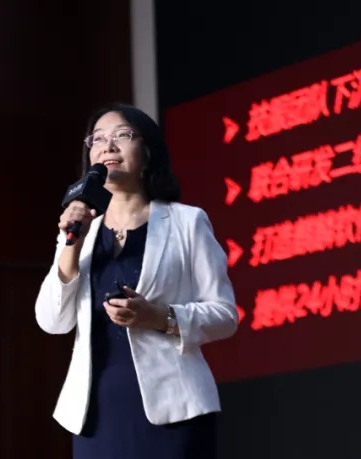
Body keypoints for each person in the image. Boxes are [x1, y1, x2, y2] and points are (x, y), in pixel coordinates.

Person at [34, 103, 239, 459]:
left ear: (147, 152)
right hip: (95, 414)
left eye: (122, 135)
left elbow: (225, 315)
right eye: (98, 139)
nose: (108, 146)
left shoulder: (187, 222)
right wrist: (71, 245)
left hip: (175, 410)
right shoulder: (80, 231)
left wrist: (159, 317)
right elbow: (52, 321)